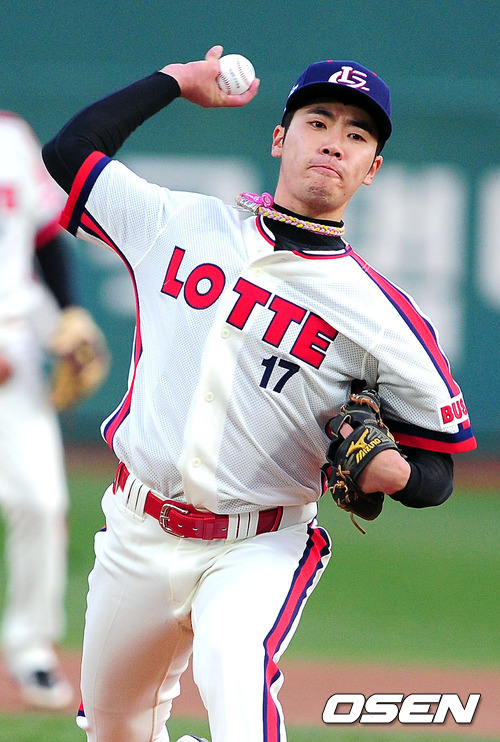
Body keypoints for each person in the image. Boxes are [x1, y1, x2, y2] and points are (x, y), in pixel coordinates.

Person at [42, 45, 476, 742]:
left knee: (237, 686)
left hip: (259, 545)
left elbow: (439, 471)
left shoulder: (384, 318)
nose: (333, 143)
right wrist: (176, 82)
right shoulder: (179, 226)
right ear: (280, 138)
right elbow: (70, 153)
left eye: (356, 135)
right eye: (318, 122)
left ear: (372, 168)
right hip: (136, 529)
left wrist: (395, 472)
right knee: (115, 731)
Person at [0, 110, 107, 709]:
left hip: (14, 347)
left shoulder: (10, 137)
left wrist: (67, 314)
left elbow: (42, 236)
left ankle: (32, 650)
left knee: (42, 503)